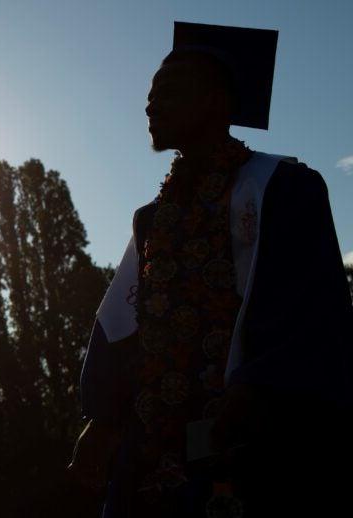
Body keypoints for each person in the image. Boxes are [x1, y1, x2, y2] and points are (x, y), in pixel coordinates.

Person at [71, 22, 353, 517]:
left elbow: (316, 310)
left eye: (170, 91)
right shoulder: (152, 218)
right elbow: (124, 324)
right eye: (149, 96)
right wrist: (104, 417)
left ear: (216, 101)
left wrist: (259, 385)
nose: (150, 106)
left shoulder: (284, 188)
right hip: (159, 445)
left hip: (255, 438)